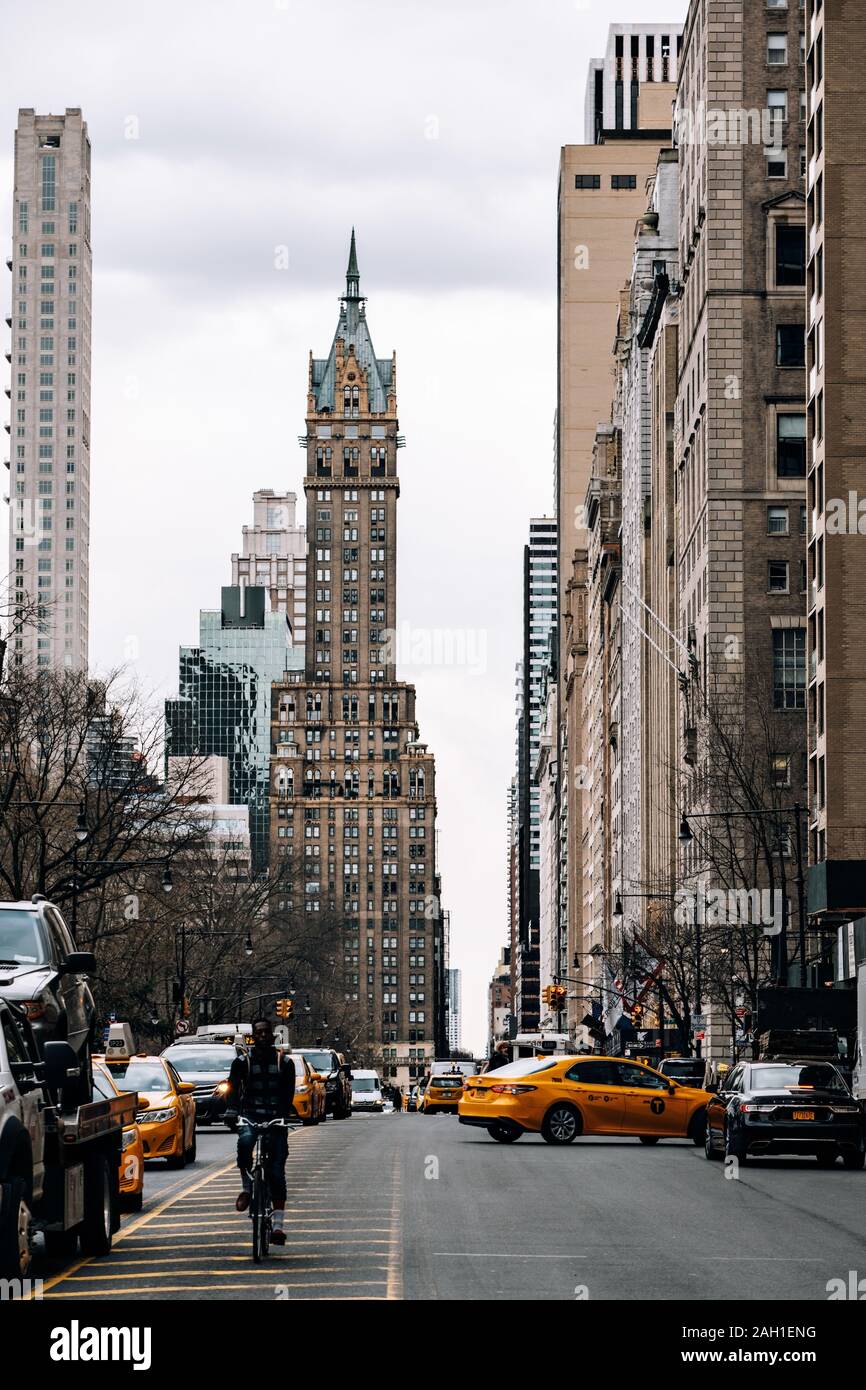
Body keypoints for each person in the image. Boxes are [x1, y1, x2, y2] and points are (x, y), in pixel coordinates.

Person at [225, 1017, 295, 1246]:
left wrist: (284, 1117)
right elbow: (233, 1090)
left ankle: (278, 1226)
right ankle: (247, 1187)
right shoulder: (242, 1062)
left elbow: (288, 1094)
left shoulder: (284, 1063)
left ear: (272, 1035)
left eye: (267, 1032)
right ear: (252, 1037)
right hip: (251, 1115)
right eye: (259, 1033)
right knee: (245, 1142)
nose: (263, 1036)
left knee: (276, 1171)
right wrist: (232, 1111)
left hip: (275, 1118)